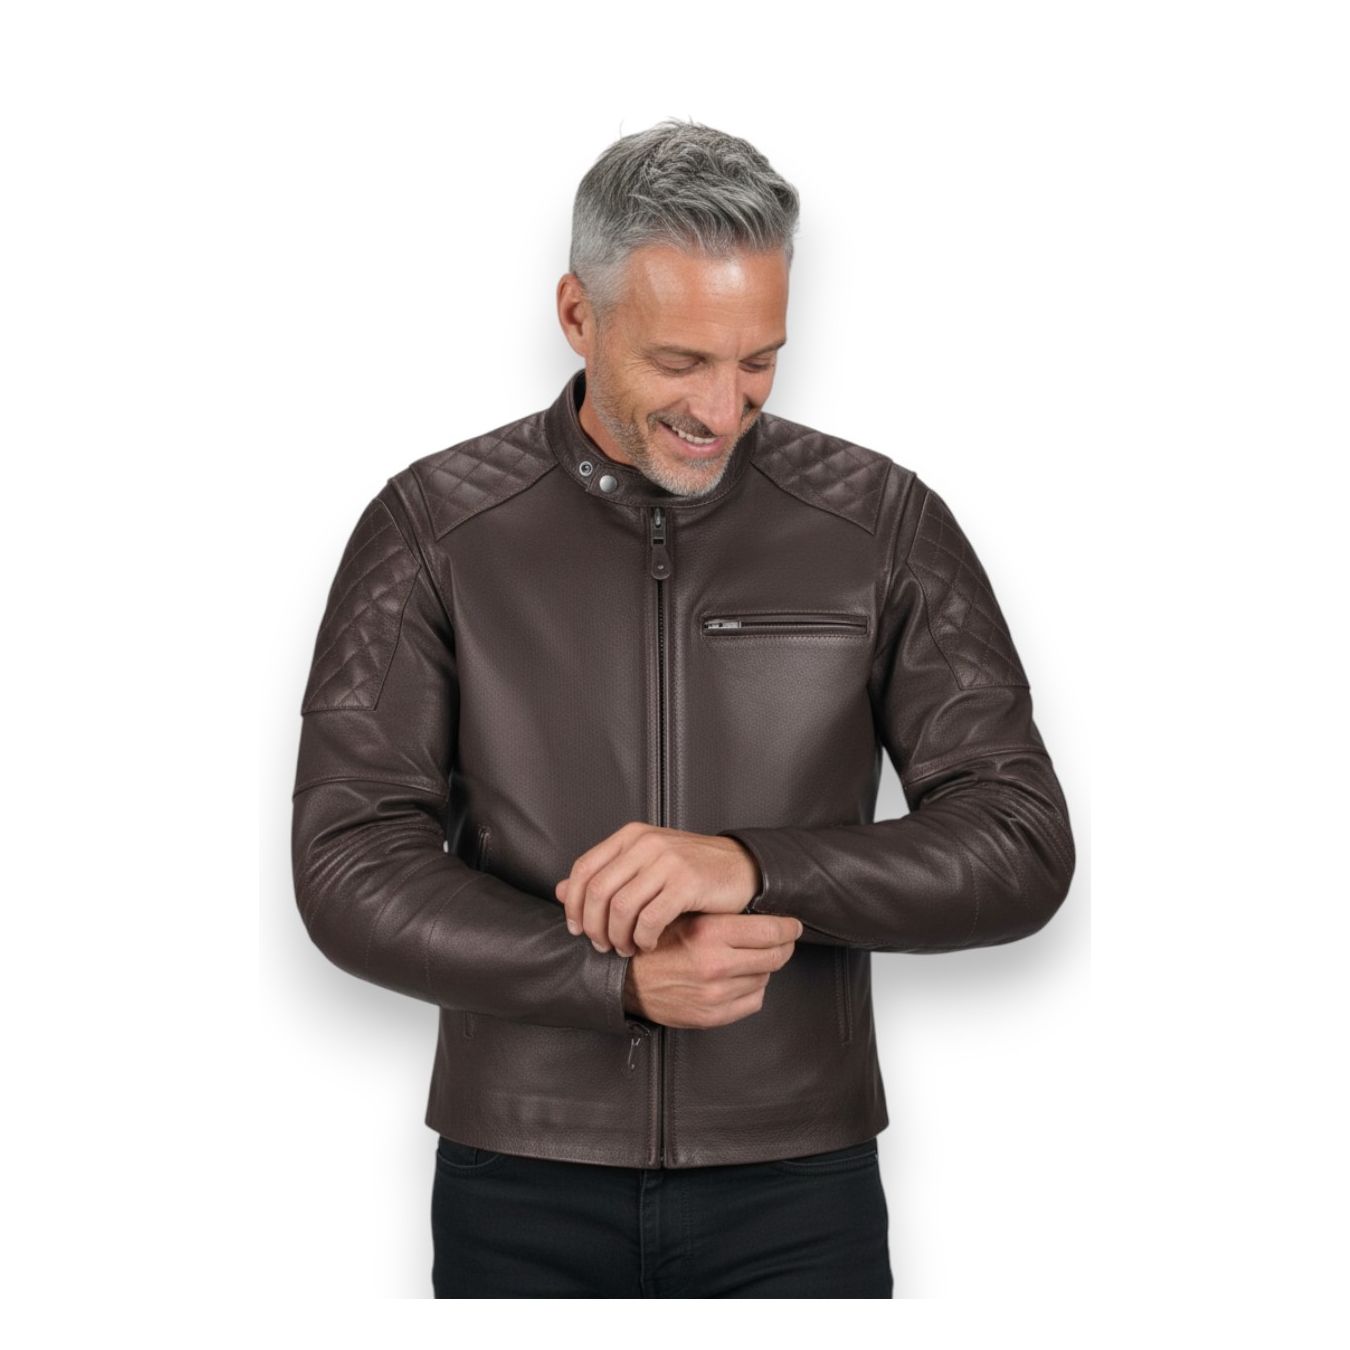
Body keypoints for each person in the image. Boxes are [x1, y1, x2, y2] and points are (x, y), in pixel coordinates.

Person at [290, 117, 1076, 1299]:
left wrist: (752, 866)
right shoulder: (431, 531)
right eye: (680, 361)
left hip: (799, 1185)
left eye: (760, 358)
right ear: (577, 314)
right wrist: (608, 981)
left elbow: (1020, 844)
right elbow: (348, 863)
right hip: (522, 1174)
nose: (724, 405)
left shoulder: (882, 525)